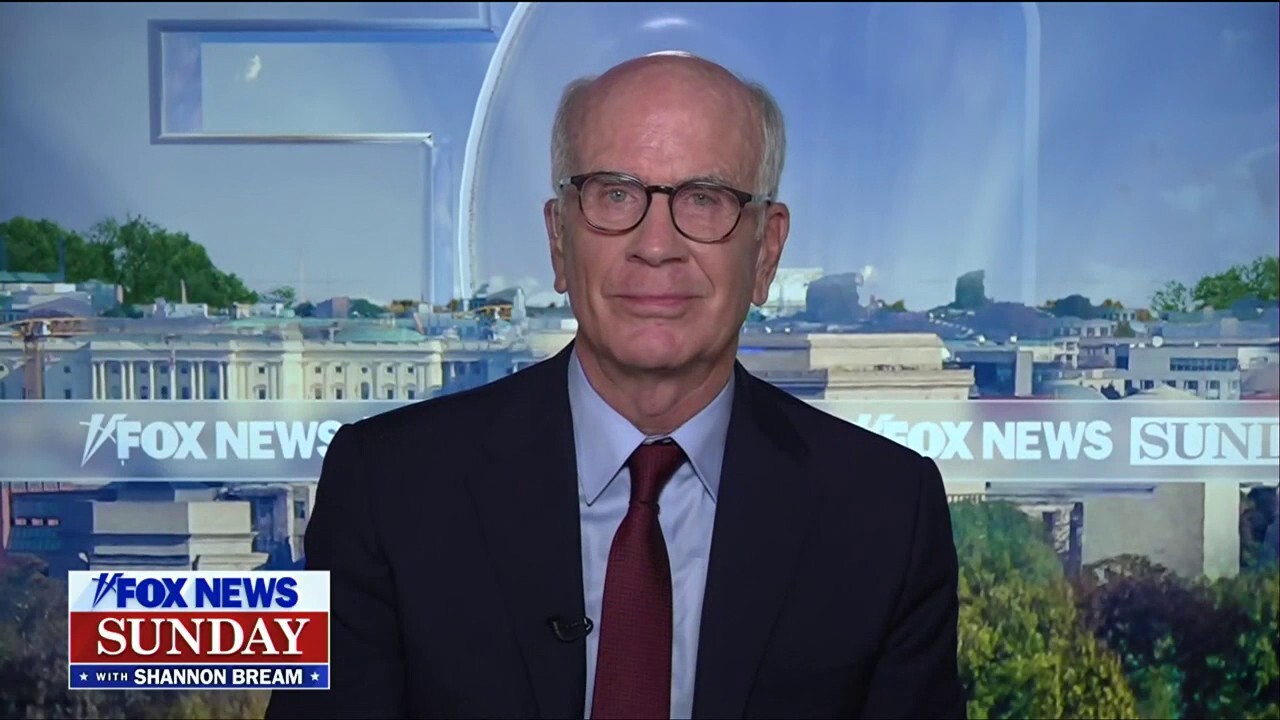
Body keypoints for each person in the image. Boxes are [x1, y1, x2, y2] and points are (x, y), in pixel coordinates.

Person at [267, 52, 965, 720]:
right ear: (559, 240)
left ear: (766, 251)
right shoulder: (386, 489)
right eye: (615, 194)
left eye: (704, 199)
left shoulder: (887, 514)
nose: (655, 246)